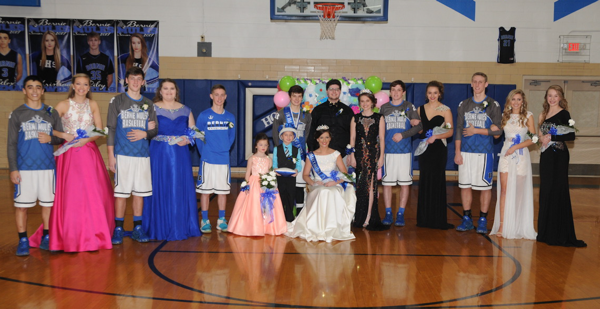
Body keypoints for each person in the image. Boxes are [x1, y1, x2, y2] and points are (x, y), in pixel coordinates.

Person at [29, 73, 115, 252]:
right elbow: (46, 123)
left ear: (89, 87)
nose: (82, 87)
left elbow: (99, 130)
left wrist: (87, 140)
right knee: (72, 194)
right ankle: (69, 234)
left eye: (85, 84)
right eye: (78, 84)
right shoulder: (63, 105)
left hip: (89, 153)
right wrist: (63, 135)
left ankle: (94, 233)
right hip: (70, 154)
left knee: (93, 192)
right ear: (73, 86)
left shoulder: (92, 104)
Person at [7, 75, 65, 256]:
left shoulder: (51, 112)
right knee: (22, 206)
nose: (34, 90)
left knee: (47, 205)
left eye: (38, 87)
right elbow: (11, 144)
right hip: (24, 169)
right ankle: (23, 240)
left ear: (43, 91)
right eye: (30, 87)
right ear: (24, 91)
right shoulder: (17, 114)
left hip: (47, 168)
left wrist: (51, 138)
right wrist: (13, 168)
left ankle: (46, 238)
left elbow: (60, 137)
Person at [142, 79, 201, 241]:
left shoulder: (186, 110)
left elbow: (194, 132)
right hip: (159, 154)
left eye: (172, 89)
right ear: (160, 91)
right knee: (160, 186)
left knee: (178, 187)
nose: (169, 92)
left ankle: (180, 225)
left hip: (180, 154)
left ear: (177, 91)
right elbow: (144, 130)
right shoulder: (152, 108)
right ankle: (158, 226)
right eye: (165, 89)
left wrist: (188, 140)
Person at [107, 67, 158, 245]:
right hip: (123, 154)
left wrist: (145, 134)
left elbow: (154, 130)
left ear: (143, 82)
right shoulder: (117, 101)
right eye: (132, 78)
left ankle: (137, 228)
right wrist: (111, 156)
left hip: (142, 156)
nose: (136, 82)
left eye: (139, 79)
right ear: (126, 80)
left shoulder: (148, 104)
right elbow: (111, 129)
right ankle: (118, 228)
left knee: (139, 193)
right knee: (121, 194)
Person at [286, 125, 356, 242]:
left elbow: (345, 175)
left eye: (327, 137)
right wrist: (313, 182)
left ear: (330, 139)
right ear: (317, 139)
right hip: (317, 185)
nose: (324, 140)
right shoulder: (311, 156)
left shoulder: (336, 154)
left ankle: (332, 228)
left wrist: (334, 182)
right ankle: (317, 227)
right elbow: (305, 175)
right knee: (322, 192)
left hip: (334, 184)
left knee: (330, 192)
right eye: (321, 137)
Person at [536, 85, 586, 247]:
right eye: (549, 95)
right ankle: (545, 232)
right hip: (546, 156)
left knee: (558, 190)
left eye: (555, 96)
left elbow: (571, 135)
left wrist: (552, 136)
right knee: (546, 190)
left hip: (559, 157)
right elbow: (539, 135)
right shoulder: (543, 115)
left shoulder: (564, 114)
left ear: (561, 98)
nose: (552, 99)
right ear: (546, 97)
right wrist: (540, 138)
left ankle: (558, 233)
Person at [454, 72, 502, 233]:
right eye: (474, 82)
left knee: (485, 188)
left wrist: (477, 130)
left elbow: (498, 133)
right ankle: (467, 218)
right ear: (471, 83)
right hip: (466, 152)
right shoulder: (464, 104)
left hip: (484, 153)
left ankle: (482, 219)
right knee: (465, 186)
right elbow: (459, 130)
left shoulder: (493, 105)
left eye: (480, 82)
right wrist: (457, 152)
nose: (477, 85)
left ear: (486, 84)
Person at [489, 89, 536, 239]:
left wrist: (516, 147)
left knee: (519, 193)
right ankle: (502, 224)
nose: (516, 102)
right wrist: (492, 129)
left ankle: (517, 225)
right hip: (505, 155)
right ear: (509, 101)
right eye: (513, 99)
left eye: (519, 99)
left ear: (523, 101)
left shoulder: (528, 116)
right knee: (504, 190)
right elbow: (497, 136)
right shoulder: (504, 116)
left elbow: (533, 139)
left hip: (521, 155)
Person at [379, 80, 422, 226]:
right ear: (389, 92)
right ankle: (388, 213)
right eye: (393, 90)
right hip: (388, 152)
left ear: (403, 92)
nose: (396, 93)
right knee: (387, 184)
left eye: (399, 90)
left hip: (404, 152)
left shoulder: (408, 106)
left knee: (404, 184)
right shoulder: (384, 108)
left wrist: (402, 135)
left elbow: (419, 127)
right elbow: (380, 132)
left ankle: (401, 214)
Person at [228, 133, 287, 236]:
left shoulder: (269, 159)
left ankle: (267, 227)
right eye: (260, 144)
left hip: (266, 184)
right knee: (254, 204)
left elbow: (270, 172)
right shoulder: (252, 158)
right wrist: (246, 184)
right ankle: (253, 227)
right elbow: (247, 173)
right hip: (254, 183)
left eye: (265, 145)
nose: (263, 147)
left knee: (268, 205)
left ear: (268, 146)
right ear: (256, 146)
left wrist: (271, 184)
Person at [196, 84, 236, 233]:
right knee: (205, 191)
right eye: (216, 95)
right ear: (211, 96)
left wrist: (224, 148)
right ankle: (205, 220)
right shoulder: (204, 115)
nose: (219, 98)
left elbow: (231, 137)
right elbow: (199, 136)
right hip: (207, 159)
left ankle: (221, 219)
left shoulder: (230, 117)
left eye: (222, 95)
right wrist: (204, 152)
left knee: (222, 191)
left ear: (225, 97)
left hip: (223, 160)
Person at [416, 81, 454, 230]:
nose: (432, 95)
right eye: (430, 92)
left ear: (440, 94)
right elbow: (420, 129)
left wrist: (436, 137)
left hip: (438, 149)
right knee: (425, 180)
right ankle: (424, 219)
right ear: (426, 94)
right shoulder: (420, 109)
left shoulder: (445, 110)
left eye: (435, 93)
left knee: (437, 181)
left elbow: (450, 132)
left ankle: (437, 219)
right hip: (425, 149)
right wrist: (418, 129)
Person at [348, 90, 387, 230]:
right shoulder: (355, 118)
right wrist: (351, 155)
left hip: (372, 154)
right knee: (360, 185)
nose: (364, 104)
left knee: (371, 186)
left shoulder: (379, 118)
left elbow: (381, 138)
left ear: (372, 102)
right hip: (359, 154)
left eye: (367, 101)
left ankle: (369, 216)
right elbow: (352, 139)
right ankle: (360, 215)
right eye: (362, 101)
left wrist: (381, 156)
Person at [272, 84, 312, 211]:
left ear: (302, 98)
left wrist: (300, 151)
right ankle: (285, 214)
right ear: (289, 97)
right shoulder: (280, 114)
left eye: (299, 96)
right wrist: (281, 153)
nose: (296, 99)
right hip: (284, 155)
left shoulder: (307, 116)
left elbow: (307, 135)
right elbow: (275, 134)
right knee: (285, 186)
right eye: (294, 96)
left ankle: (299, 215)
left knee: (299, 186)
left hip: (300, 155)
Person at [307, 79, 353, 160]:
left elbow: (353, 134)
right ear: (327, 91)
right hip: (321, 154)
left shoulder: (348, 111)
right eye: (331, 89)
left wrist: (351, 153)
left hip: (343, 155)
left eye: (337, 89)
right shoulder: (318, 110)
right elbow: (311, 132)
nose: (334, 91)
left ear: (340, 91)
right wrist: (312, 151)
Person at [272, 125, 302, 222]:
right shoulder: (277, 148)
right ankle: (280, 217)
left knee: (290, 195)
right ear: (281, 136)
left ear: (293, 137)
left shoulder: (296, 150)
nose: (288, 137)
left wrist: (297, 170)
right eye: (286, 135)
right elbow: (274, 162)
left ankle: (289, 218)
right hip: (280, 176)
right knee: (281, 196)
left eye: (290, 135)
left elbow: (298, 163)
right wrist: (275, 169)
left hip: (291, 177)